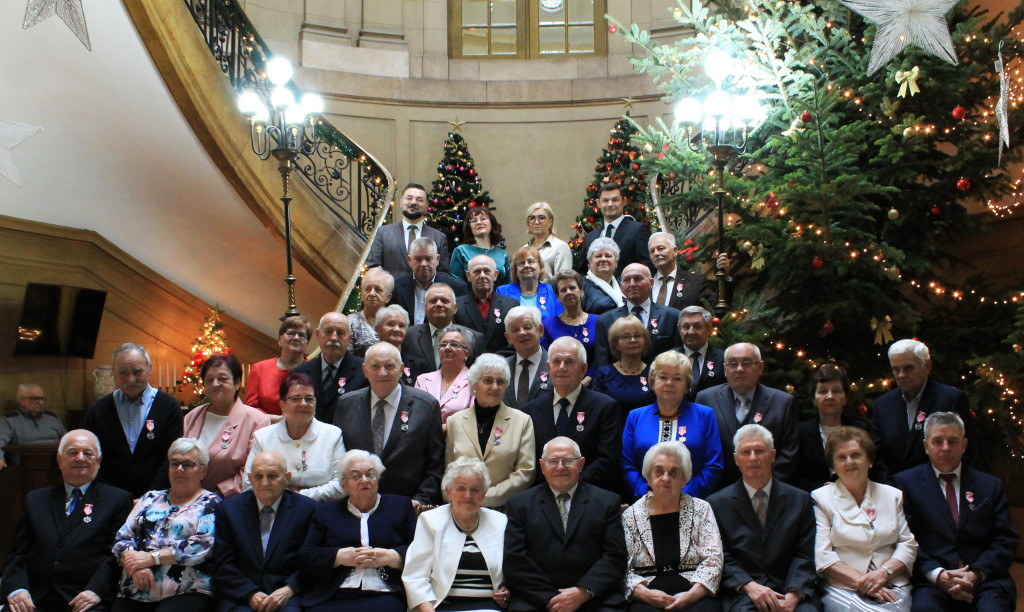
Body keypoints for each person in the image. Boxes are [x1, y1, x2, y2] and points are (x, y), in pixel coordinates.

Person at [893, 412, 1018, 612]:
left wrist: (976, 573)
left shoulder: (990, 486)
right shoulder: (905, 484)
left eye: (952, 441)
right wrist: (938, 575)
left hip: (985, 580)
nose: (945, 447)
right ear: (926, 446)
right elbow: (904, 539)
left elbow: (1006, 540)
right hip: (932, 581)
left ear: (964, 445)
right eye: (937, 441)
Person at [2, 430, 133, 612]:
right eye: (72, 452)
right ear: (59, 460)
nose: (80, 458)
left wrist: (96, 591)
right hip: (34, 597)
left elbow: (115, 555)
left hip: (84, 598)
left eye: (87, 453)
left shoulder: (117, 500)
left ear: (98, 461)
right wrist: (17, 589)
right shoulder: (36, 500)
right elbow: (18, 553)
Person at [503, 437, 627, 611]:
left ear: (581, 464)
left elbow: (615, 557)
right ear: (542, 466)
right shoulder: (520, 504)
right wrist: (553, 599)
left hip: (593, 597)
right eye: (553, 461)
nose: (560, 467)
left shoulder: (607, 502)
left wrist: (582, 593)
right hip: (537, 598)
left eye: (568, 460)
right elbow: (515, 561)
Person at [707, 425, 819, 612]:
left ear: (773, 455)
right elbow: (720, 557)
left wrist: (793, 595)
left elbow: (805, 555)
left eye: (759, 451)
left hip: (790, 588)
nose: (753, 457)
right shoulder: (716, 504)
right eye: (746, 452)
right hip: (744, 593)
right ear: (736, 459)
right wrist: (749, 586)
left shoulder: (800, 500)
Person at [812, 427, 917, 611]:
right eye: (841, 457)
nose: (849, 461)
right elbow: (823, 555)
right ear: (833, 467)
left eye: (856, 455)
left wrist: (884, 573)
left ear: (869, 461)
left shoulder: (892, 495)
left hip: (891, 583)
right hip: (844, 586)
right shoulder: (821, 498)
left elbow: (907, 544)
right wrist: (864, 583)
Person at [298, 449, 418, 612]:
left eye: (370, 474)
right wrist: (338, 557)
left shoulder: (401, 507)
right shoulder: (326, 512)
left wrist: (392, 557)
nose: (364, 480)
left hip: (385, 593)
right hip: (334, 593)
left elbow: (420, 551)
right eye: (355, 476)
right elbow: (306, 556)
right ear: (343, 484)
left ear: (378, 478)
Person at [111, 438, 221, 612]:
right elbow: (123, 537)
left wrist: (151, 558)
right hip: (135, 587)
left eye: (188, 464)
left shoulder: (210, 503)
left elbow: (202, 546)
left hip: (186, 591)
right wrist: (135, 566)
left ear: (203, 471)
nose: (179, 469)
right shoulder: (150, 498)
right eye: (174, 463)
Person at [334, 342, 445, 506]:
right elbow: (338, 459)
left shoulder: (426, 406)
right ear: (365, 370)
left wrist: (420, 500)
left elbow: (436, 463)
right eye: (375, 366)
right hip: (356, 506)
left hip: (407, 506)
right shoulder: (346, 404)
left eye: (389, 366)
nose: (382, 372)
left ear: (401, 369)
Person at [622, 441, 723, 612]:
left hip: (694, 593)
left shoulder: (702, 509)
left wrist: (691, 596)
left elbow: (713, 560)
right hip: (646, 596)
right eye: (659, 471)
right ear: (649, 477)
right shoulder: (630, 515)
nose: (665, 478)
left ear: (684, 480)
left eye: (674, 472)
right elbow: (623, 568)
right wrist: (647, 595)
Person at [213, 451, 318, 612]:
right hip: (241, 595)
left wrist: (290, 589)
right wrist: (250, 593)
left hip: (288, 595)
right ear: (250, 478)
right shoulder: (228, 510)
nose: (265, 482)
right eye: (258, 476)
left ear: (287, 478)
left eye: (272, 476)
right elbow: (222, 563)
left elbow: (312, 561)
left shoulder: (308, 509)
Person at [403, 457, 510, 612]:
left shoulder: (500, 522)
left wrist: (509, 592)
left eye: (475, 489)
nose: (468, 495)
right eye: (461, 488)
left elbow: (512, 572)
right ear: (448, 492)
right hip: (443, 606)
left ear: (483, 494)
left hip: (489, 607)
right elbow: (415, 576)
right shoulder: (430, 521)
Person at [519, 337, 622, 493]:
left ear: (584, 369)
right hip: (543, 496)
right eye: (556, 362)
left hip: (588, 495)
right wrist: (552, 489)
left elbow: (607, 461)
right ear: (548, 367)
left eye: (569, 362)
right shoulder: (530, 411)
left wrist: (568, 487)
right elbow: (529, 462)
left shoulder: (605, 407)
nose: (562, 367)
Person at [83, 343, 184, 498]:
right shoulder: (97, 410)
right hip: (108, 500)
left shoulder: (169, 407)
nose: (130, 379)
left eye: (137, 372)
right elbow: (90, 458)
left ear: (149, 368)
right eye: (123, 372)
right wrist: (114, 498)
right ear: (113, 373)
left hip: (159, 498)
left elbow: (173, 456)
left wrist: (150, 497)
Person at [695, 343, 799, 490]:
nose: (740, 369)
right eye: (733, 363)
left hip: (767, 492)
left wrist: (762, 487)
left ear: (760, 367)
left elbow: (788, 455)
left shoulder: (783, 403)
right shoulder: (706, 400)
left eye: (747, 363)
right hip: (718, 492)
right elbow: (700, 451)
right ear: (725, 369)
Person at [870, 339, 976, 483]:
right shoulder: (882, 405)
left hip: (938, 488)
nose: (901, 375)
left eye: (908, 368)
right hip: (892, 489)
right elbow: (877, 456)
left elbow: (965, 452)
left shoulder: (951, 400)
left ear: (926, 366)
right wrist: (892, 487)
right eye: (896, 369)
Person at [623, 351, 723, 500]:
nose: (669, 383)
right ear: (652, 381)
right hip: (646, 502)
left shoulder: (705, 415)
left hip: (691, 502)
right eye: (663, 377)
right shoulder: (635, 417)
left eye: (677, 378)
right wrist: (647, 493)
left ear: (687, 385)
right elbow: (627, 465)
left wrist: (682, 497)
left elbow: (714, 466)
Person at [446, 354, 536, 509]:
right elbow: (448, 471)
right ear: (474, 384)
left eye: (500, 382)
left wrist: (483, 498)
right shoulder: (454, 421)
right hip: (461, 509)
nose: (495, 387)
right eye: (488, 380)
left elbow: (525, 473)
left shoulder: (522, 421)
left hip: (505, 510)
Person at [245, 373, 347, 502]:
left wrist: (299, 497)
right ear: (282, 405)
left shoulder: (333, 435)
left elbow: (342, 484)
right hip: (275, 511)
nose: (303, 404)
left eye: (309, 399)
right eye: (295, 399)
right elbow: (248, 484)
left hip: (321, 510)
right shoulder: (263, 437)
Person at [184, 354, 270, 498]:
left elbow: (253, 472)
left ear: (237, 383)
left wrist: (214, 496)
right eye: (209, 380)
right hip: (189, 498)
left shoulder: (257, 421)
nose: (215, 384)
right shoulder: (192, 417)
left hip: (231, 502)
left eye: (222, 379)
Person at [796, 364, 871, 493]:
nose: (830, 396)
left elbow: (872, 471)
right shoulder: (800, 433)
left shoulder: (862, 430)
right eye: (823, 391)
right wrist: (822, 490)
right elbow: (795, 478)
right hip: (813, 500)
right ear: (814, 399)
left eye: (836, 391)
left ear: (845, 399)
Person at [593, 263, 680, 369]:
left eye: (638, 278)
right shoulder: (605, 321)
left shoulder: (672, 317)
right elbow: (602, 367)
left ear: (651, 283)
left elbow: (679, 359)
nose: (632, 284)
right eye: (627, 280)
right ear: (621, 287)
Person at [292, 312, 368, 424]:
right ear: (318, 335)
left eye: (340, 333)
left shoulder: (364, 372)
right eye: (328, 332)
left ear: (349, 338)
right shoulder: (300, 373)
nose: (333, 338)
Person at [367, 182, 451, 277]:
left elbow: (443, 275)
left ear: (427, 206)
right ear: (401, 202)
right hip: (392, 287)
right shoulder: (383, 233)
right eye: (409, 198)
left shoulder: (439, 238)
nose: (414, 202)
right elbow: (373, 269)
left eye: (419, 200)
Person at [576, 183, 653, 276]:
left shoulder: (637, 230)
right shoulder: (590, 237)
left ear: (624, 201)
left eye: (615, 200)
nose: (610, 204)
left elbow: (647, 266)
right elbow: (583, 271)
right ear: (598, 203)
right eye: (605, 200)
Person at [404, 284, 485, 371]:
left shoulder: (475, 339)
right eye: (433, 301)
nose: (438, 304)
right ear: (425, 308)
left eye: (444, 301)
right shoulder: (409, 336)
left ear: (455, 308)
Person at [244, 316, 311, 419]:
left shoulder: (315, 369)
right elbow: (250, 410)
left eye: (301, 335)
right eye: (291, 333)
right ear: (279, 339)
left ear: (307, 343)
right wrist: (278, 421)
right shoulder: (259, 369)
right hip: (267, 427)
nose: (296, 337)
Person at [391, 238, 468, 326]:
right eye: (418, 259)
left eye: (428, 259)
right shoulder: (395, 286)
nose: (423, 264)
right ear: (409, 260)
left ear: (437, 259)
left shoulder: (456, 287)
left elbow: (461, 322)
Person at [591, 316, 656, 419]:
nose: (633, 340)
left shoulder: (654, 374)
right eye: (626, 337)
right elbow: (596, 411)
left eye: (637, 336)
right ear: (616, 344)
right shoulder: (604, 374)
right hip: (612, 428)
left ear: (645, 341)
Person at [453, 255, 520, 356]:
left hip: (503, 362)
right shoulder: (457, 306)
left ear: (496, 275)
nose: (482, 276)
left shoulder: (511, 305)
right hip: (469, 363)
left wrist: (492, 360)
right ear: (468, 276)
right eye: (477, 271)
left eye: (487, 271)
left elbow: (516, 341)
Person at [649, 232, 729, 310]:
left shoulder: (695, 283)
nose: (656, 253)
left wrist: (725, 276)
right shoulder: (645, 283)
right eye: (652, 251)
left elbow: (716, 309)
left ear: (675, 251)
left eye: (661, 248)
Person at [415, 326, 475, 427]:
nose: (447, 348)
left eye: (454, 344)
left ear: (467, 352)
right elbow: (415, 415)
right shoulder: (422, 380)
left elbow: (474, 420)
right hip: (424, 437)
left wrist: (441, 429)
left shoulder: (475, 381)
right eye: (443, 345)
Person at [540, 270, 600, 371]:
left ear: (581, 291)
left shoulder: (598, 321)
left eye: (572, 288)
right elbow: (545, 360)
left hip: (594, 379)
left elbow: (601, 357)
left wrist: (589, 377)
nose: (568, 292)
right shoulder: (548, 325)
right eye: (563, 290)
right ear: (558, 297)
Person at [0, 383, 66, 469]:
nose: (41, 402)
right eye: (36, 399)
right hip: (24, 470)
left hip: (55, 467)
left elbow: (67, 440)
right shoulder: (9, 420)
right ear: (22, 400)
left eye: (42, 398)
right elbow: (1, 440)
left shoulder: (52, 418)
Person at [501, 306, 549, 409]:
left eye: (527, 327)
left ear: (540, 330)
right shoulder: (500, 369)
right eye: (515, 330)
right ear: (508, 338)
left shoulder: (556, 366)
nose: (522, 333)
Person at [496, 246, 563, 319]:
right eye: (521, 263)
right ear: (515, 270)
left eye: (531, 261)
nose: (526, 265)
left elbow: (560, 321)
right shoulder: (502, 292)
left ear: (540, 266)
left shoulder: (552, 291)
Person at [673, 307, 725, 401]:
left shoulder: (723, 359)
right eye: (686, 327)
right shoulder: (668, 359)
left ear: (709, 329)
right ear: (679, 329)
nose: (691, 331)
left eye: (697, 326)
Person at [450, 207, 510, 286]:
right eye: (474, 221)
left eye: (483, 219)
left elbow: (508, 285)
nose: (479, 222)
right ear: (469, 227)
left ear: (491, 223)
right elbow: (456, 284)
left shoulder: (502, 254)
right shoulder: (461, 251)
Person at [374, 304, 431, 386]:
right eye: (391, 324)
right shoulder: (367, 361)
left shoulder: (419, 365)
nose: (397, 329)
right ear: (378, 329)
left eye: (401, 326)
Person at [348, 267, 395, 357]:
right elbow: (346, 359)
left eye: (378, 290)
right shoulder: (351, 322)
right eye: (367, 289)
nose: (372, 293)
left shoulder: (395, 323)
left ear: (388, 298)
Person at [523, 201, 572, 283]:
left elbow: (564, 281)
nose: (536, 222)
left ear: (550, 221)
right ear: (528, 223)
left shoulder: (560, 247)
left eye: (541, 218)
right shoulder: (524, 249)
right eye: (532, 218)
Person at [581, 237, 624, 316]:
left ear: (616, 263)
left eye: (608, 256)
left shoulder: (623, 284)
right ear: (589, 262)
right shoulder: (581, 286)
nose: (603, 259)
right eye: (598, 256)